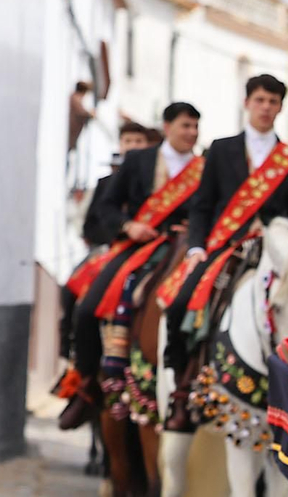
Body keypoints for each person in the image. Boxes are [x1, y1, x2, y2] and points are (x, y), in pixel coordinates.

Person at [58, 103, 204, 429]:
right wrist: (128, 226)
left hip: (184, 247)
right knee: (88, 307)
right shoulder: (140, 161)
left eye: (196, 127)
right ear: (167, 127)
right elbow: (108, 206)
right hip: (139, 244)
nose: (192, 133)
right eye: (185, 126)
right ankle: (85, 385)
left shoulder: (204, 168)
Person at [162, 75, 288, 385]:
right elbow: (203, 205)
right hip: (226, 244)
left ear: (281, 108)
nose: (266, 107)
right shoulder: (220, 149)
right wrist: (196, 247)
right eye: (260, 100)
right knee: (181, 302)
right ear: (247, 103)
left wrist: (283, 236)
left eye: (273, 102)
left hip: (274, 249)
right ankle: (179, 379)